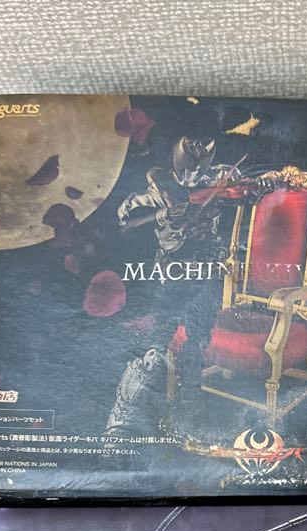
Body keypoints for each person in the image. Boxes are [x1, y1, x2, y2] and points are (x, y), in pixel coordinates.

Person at [106, 136, 240, 435]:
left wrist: (265, 185)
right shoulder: (160, 187)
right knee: (157, 346)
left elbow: (245, 194)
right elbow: (125, 222)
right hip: (173, 270)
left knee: (197, 342)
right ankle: (124, 416)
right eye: (187, 167)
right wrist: (162, 214)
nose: (192, 178)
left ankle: (189, 408)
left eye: (198, 169)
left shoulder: (218, 179)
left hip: (208, 268)